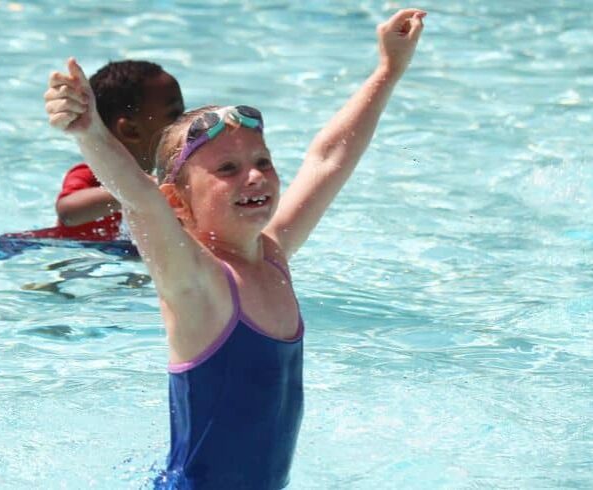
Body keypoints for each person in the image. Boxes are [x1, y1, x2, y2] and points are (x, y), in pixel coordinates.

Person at [44, 8, 425, 489]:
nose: (255, 176)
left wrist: (388, 72)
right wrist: (89, 132)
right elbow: (139, 199)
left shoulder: (271, 256)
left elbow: (328, 157)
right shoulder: (198, 282)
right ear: (177, 200)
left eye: (262, 161)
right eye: (227, 170)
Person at [47, 60, 184, 241]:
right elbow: (68, 211)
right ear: (130, 130)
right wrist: (139, 186)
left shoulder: (162, 179)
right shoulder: (92, 174)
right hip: (69, 251)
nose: (185, 125)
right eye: (175, 115)